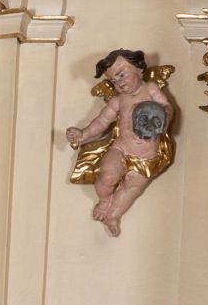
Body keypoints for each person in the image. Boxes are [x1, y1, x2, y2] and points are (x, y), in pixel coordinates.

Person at [65, 51, 177, 237]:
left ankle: (113, 216)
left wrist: (163, 118)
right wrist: (83, 134)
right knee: (107, 176)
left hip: (147, 157)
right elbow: (102, 121)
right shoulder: (118, 101)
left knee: (132, 189)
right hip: (121, 149)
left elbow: (167, 108)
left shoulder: (151, 89)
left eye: (122, 75)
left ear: (139, 69)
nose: (119, 83)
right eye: (113, 81)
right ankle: (104, 200)